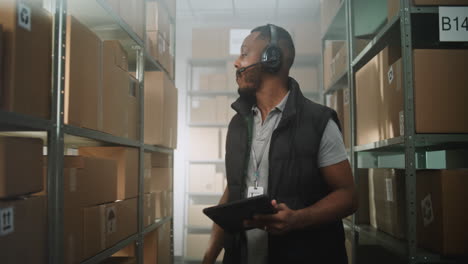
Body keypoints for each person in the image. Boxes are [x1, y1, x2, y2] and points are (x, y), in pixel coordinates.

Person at [202, 24, 357, 264]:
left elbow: (348, 196)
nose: (236, 63)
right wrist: (208, 257)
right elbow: (235, 188)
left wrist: (298, 218)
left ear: (271, 58)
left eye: (244, 53)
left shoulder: (318, 122)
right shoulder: (238, 124)